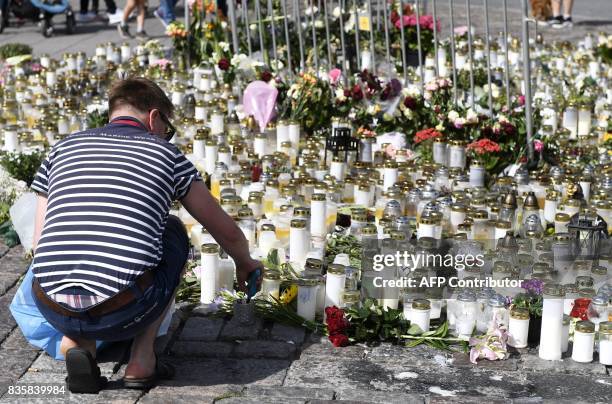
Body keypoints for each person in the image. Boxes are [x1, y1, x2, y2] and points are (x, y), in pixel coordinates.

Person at [30, 78, 262, 393]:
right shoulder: (165, 153)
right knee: (174, 231)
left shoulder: (62, 147)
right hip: (124, 307)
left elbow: (38, 242)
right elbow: (225, 230)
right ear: (154, 118)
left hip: (49, 301)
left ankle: (77, 342)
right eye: (167, 128)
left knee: (75, 249)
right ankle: (142, 359)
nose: (166, 136)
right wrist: (244, 262)